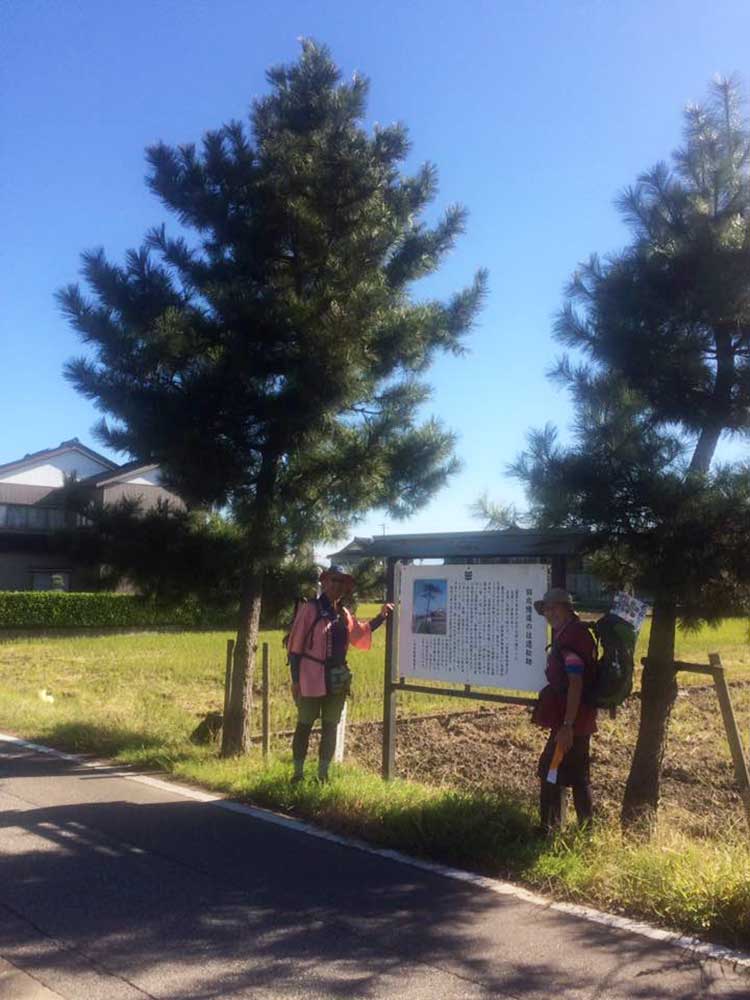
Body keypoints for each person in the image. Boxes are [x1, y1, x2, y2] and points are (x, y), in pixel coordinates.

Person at [286, 565, 393, 783]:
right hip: (310, 678)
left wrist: (381, 617)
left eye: (341, 582)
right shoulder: (310, 609)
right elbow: (295, 647)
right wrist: (296, 680)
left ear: (346, 587)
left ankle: (322, 775)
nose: (337, 585)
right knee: (304, 725)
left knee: (330, 726)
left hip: (337, 678)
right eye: (334, 580)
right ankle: (298, 774)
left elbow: (360, 632)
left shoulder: (343, 614)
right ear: (325, 583)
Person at [532, 587, 597, 833]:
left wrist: (568, 725)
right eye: (546, 609)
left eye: (553, 608)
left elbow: (576, 681)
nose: (549, 613)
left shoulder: (572, 637)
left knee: (551, 770)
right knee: (571, 775)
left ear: (566, 609)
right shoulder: (570, 633)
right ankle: (581, 832)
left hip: (572, 723)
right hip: (575, 720)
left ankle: (550, 830)